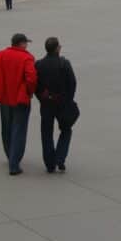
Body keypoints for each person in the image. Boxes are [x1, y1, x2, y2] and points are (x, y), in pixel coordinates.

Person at [0, 33, 38, 175]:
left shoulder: (0, 55)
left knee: (6, 127)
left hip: (4, 98)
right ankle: (14, 162)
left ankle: (9, 154)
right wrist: (28, 92)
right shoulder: (27, 58)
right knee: (19, 129)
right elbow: (31, 78)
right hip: (20, 99)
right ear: (22, 44)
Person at [35, 36, 77, 173]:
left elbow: (35, 85)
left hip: (46, 103)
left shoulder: (39, 64)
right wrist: (68, 100)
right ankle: (60, 157)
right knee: (66, 129)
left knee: (46, 132)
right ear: (57, 48)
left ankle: (49, 163)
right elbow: (72, 83)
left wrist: (41, 97)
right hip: (62, 103)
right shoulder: (64, 63)